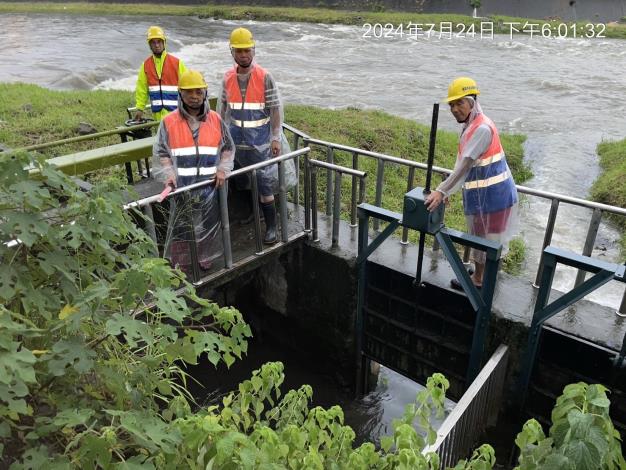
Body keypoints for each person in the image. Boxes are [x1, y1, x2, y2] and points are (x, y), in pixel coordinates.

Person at [425, 77, 518, 290]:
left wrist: (441, 191)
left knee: (486, 239)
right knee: (483, 236)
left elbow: (464, 166)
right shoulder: (473, 124)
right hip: (487, 194)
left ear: (472, 102)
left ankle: (479, 280)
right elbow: (463, 161)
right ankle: (481, 274)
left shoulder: (482, 129)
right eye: (451, 105)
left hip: (493, 196)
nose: (455, 109)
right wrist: (448, 190)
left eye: (460, 103)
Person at [153, 69, 235, 275]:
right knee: (182, 225)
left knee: (209, 223)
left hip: (210, 185)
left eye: (199, 92)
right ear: (181, 93)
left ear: (205, 93)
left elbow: (227, 148)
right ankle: (182, 261)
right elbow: (162, 152)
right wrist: (169, 174)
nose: (194, 97)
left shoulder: (215, 119)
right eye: (189, 92)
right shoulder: (169, 122)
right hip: (183, 184)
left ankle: (204, 256)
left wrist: (223, 170)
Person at [217, 27, 283, 244]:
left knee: (263, 182)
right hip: (236, 140)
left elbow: (275, 109)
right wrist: (220, 136)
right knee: (242, 178)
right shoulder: (227, 78)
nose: (243, 55)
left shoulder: (265, 77)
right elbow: (222, 110)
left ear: (253, 50)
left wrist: (275, 138)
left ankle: (271, 225)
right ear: (232, 52)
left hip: (260, 142)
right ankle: (251, 213)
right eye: (239, 51)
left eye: (247, 50)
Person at [134, 26, 187, 122]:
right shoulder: (145, 65)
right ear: (149, 45)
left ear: (164, 42)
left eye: (159, 41)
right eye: (153, 42)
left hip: (176, 115)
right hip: (157, 117)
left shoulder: (177, 63)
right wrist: (140, 108)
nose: (157, 45)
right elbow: (142, 89)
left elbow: (187, 87)